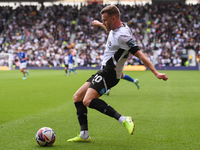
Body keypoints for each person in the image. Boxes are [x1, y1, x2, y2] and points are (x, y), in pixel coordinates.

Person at [67, 5, 168, 142]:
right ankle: (84, 135)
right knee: (77, 97)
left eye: (104, 20)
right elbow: (111, 32)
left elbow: (140, 55)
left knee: (87, 100)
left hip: (109, 74)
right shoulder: (117, 28)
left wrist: (156, 73)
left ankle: (124, 119)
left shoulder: (123, 36)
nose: (103, 22)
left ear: (113, 18)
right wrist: (100, 25)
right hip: (103, 71)